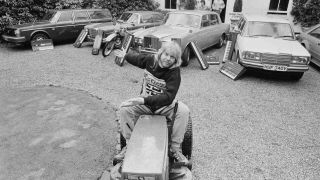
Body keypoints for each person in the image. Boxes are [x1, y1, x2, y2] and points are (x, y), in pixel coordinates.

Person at [113, 41, 191, 166]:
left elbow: (169, 97)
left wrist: (144, 100)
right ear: (161, 53)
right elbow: (138, 59)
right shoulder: (151, 60)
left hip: (163, 106)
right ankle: (129, 145)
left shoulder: (174, 72)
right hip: (145, 104)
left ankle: (175, 149)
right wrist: (126, 55)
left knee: (184, 111)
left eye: (172, 57)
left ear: (176, 60)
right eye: (167, 54)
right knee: (124, 109)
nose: (168, 59)